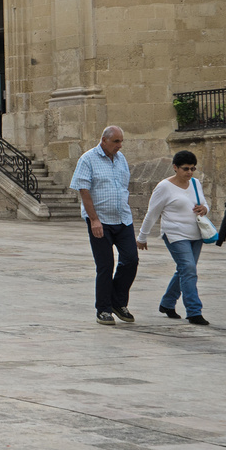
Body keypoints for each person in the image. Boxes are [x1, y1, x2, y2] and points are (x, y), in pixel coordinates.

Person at [69, 125, 138, 326]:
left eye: (121, 141)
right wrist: (94, 220)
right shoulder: (87, 159)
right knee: (106, 265)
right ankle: (104, 309)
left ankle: (118, 302)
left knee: (131, 260)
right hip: (100, 221)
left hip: (123, 218)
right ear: (104, 140)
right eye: (116, 141)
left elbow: (123, 187)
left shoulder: (121, 159)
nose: (120, 145)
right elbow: (84, 191)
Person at [136, 149, 210, 325]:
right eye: (186, 168)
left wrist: (205, 208)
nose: (190, 172)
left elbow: (204, 202)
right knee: (189, 269)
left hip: (196, 234)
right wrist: (142, 236)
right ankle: (194, 311)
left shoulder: (195, 183)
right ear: (175, 168)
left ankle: (167, 303)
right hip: (175, 234)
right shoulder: (164, 187)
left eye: (193, 168)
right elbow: (152, 213)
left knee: (185, 270)